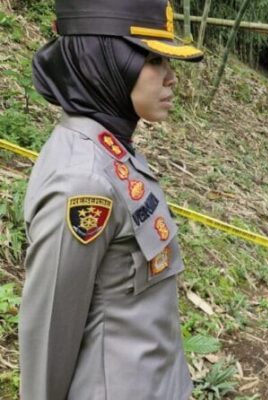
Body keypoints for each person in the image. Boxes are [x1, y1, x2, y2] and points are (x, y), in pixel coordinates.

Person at [18, 0, 203, 398]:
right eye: (155, 60)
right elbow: (49, 334)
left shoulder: (113, 149)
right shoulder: (81, 181)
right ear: (105, 60)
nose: (171, 79)